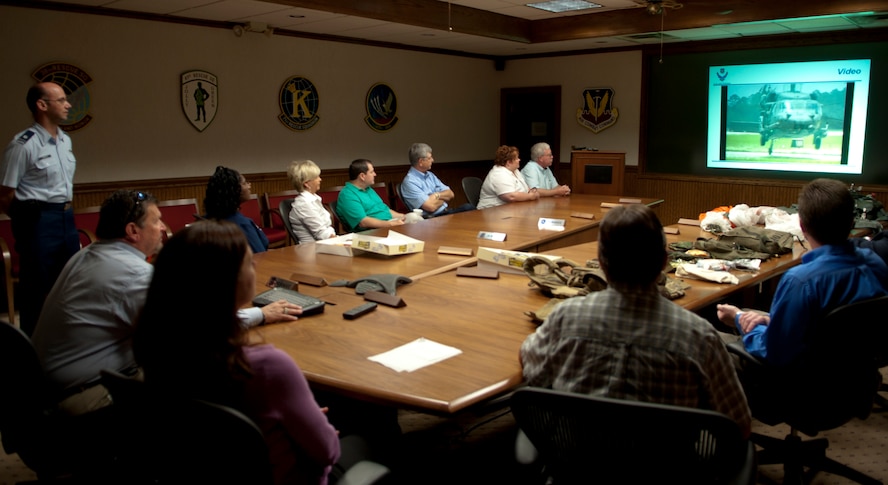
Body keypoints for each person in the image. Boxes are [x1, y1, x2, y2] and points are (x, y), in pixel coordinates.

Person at [31, 190, 302, 417]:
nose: (163, 228)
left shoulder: (89, 254)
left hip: (51, 387)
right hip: (84, 399)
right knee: (208, 378)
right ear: (132, 230)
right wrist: (261, 314)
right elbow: (198, 329)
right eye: (157, 221)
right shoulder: (131, 275)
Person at [133, 221, 341, 485]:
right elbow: (328, 453)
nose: (255, 266)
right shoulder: (268, 366)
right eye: (248, 262)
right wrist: (317, 428)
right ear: (225, 282)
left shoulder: (156, 348)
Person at [520, 204, 752, 436]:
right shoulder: (699, 336)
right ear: (664, 261)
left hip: (577, 465)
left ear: (600, 262)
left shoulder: (565, 317)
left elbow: (534, 371)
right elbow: (737, 426)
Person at [717, 178, 888, 366]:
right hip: (858, 376)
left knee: (705, 336)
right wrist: (769, 320)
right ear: (852, 223)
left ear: (802, 227)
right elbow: (837, 323)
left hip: (799, 382)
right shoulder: (874, 263)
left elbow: (773, 351)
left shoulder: (800, 281)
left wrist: (739, 320)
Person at [0, 82, 81, 335]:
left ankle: (64, 341)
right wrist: (28, 220)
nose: (68, 105)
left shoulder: (65, 141)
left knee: (68, 285)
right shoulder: (24, 144)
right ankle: (32, 348)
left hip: (66, 217)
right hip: (38, 220)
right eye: (62, 100)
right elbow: (5, 194)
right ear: (42, 105)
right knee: (36, 289)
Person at [205, 165, 268, 253]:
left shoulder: (204, 221)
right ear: (235, 190)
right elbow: (260, 255)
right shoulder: (242, 225)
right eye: (245, 183)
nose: (249, 186)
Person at [401, 143, 474, 217]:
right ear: (421, 162)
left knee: (468, 207)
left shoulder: (430, 175)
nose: (433, 160)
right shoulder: (410, 182)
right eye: (430, 158)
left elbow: (451, 194)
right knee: (468, 209)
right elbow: (431, 207)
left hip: (446, 212)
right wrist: (443, 198)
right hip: (432, 219)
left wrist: (436, 195)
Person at [335, 159, 405, 233]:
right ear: (362, 176)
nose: (375, 174)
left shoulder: (368, 189)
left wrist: (403, 217)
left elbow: (385, 210)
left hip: (387, 225)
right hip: (371, 233)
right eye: (371, 172)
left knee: (414, 219)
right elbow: (363, 222)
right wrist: (391, 224)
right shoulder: (347, 195)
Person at [287, 160, 337, 244]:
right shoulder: (304, 204)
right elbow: (321, 233)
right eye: (316, 177)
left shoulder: (313, 199)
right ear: (306, 183)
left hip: (324, 244)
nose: (320, 179)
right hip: (311, 250)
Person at [476, 145, 540, 210]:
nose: (519, 160)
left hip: (512, 209)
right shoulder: (498, 174)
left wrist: (532, 192)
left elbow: (526, 189)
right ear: (509, 162)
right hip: (492, 211)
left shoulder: (515, 171)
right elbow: (511, 197)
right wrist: (530, 196)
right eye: (517, 158)